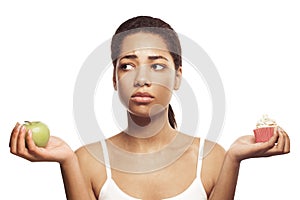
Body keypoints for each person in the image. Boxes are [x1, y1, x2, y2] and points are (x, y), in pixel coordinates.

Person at [9, 16, 290, 200]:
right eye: (128, 65)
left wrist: (233, 160)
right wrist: (67, 161)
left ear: (177, 77)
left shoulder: (213, 158)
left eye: (157, 65)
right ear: (115, 79)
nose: (141, 79)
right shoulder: (86, 160)